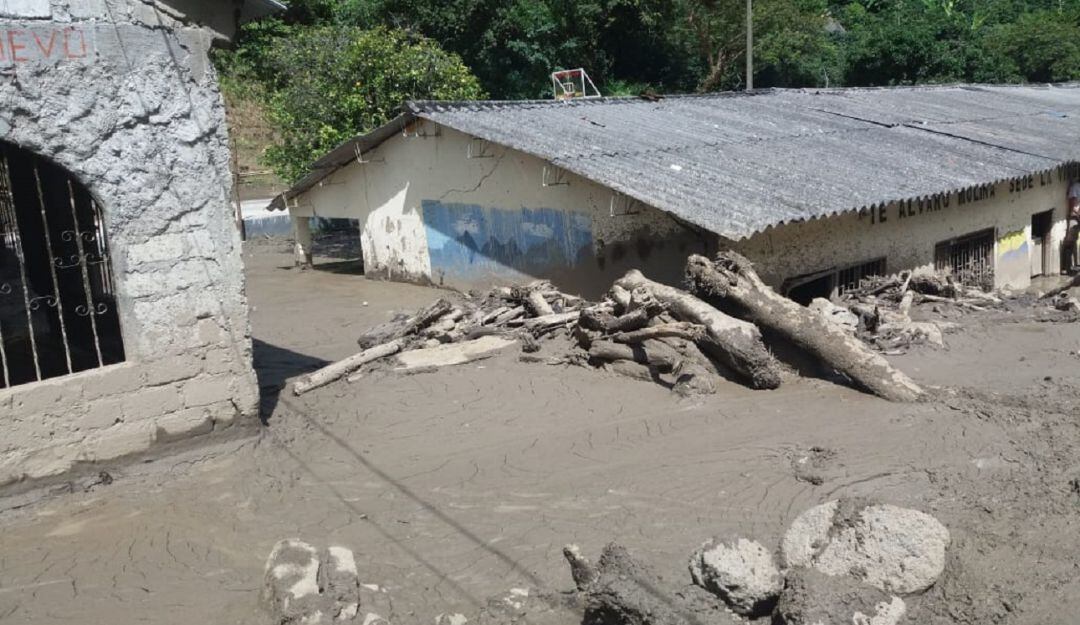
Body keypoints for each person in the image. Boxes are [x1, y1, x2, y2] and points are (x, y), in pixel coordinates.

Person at [1066, 180, 1080, 274]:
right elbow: (1072, 203)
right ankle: (1068, 267)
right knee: (1070, 242)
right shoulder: (1075, 187)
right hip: (1074, 217)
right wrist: (1077, 214)